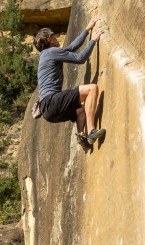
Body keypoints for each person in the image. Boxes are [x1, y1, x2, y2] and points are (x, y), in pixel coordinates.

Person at [33, 18, 106, 148]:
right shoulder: (51, 52)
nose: (57, 38)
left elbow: (70, 48)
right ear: (50, 39)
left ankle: (81, 136)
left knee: (83, 109)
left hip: (48, 113)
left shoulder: (46, 55)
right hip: (51, 101)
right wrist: (93, 41)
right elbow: (80, 58)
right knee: (92, 89)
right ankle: (92, 131)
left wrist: (86, 30)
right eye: (54, 36)